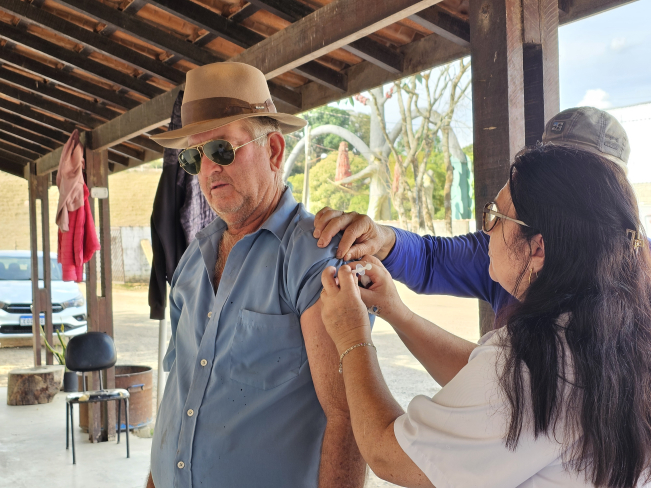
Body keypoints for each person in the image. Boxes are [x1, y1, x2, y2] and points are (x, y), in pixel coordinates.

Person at [319, 143, 651, 487]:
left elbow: (389, 455)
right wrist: (396, 312)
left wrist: (352, 336)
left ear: (538, 248)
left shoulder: (539, 362)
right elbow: (488, 378)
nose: (486, 230)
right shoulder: (615, 332)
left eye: (495, 217)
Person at [146, 62, 366, 488]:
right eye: (193, 157)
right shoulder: (192, 259)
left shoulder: (315, 255)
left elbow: (348, 417)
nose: (208, 169)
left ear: (274, 151)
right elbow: (180, 397)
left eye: (221, 149)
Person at [312, 107, 633, 316]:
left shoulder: (639, 277)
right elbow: (432, 259)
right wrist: (382, 238)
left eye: (580, 178)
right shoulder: (510, 248)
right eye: (548, 169)